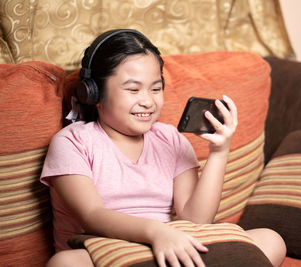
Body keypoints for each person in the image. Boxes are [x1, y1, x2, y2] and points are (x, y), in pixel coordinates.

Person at [40, 29, 286, 267]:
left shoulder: (170, 138)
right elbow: (91, 215)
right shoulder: (72, 141)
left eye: (156, 89)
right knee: (65, 263)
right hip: (105, 249)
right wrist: (155, 232)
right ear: (93, 93)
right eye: (133, 89)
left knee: (270, 240)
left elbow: (197, 220)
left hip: (171, 246)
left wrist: (220, 152)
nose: (148, 101)